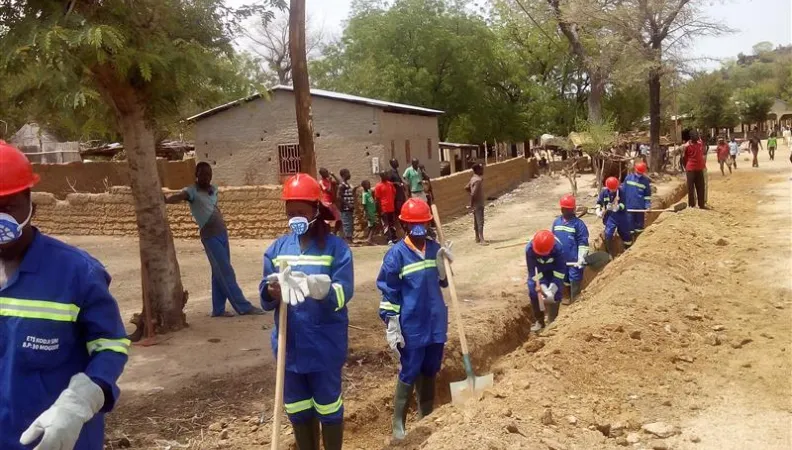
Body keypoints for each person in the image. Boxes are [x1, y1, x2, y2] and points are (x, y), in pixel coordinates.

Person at [0, 142, 129, 450]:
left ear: (32, 206)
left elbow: (111, 346)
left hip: (57, 440)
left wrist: (81, 399)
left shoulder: (77, 273)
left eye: (8, 207)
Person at [259, 173, 354, 450]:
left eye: (301, 212)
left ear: (315, 211)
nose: (295, 218)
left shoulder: (335, 249)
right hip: (291, 349)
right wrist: (271, 291)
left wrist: (320, 291)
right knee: (298, 410)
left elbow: (344, 290)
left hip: (324, 346)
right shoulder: (277, 251)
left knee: (328, 409)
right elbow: (265, 290)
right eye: (291, 213)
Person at [376, 198, 452, 440]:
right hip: (412, 323)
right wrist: (391, 322)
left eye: (423, 224)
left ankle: (426, 412)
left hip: (435, 319)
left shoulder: (434, 248)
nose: (419, 229)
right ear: (405, 224)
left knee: (430, 367)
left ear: (429, 223)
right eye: (414, 224)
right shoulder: (396, 256)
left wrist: (444, 265)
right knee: (410, 368)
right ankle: (398, 420)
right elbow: (389, 291)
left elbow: (444, 282)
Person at [165, 162, 264, 316]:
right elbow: (179, 196)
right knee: (226, 271)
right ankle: (243, 306)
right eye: (203, 174)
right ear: (196, 175)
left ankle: (218, 310)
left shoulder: (213, 190)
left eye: (209, 174)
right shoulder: (191, 191)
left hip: (222, 234)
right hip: (210, 236)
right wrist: (165, 199)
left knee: (218, 272)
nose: (206, 177)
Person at [525, 230, 567, 332]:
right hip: (539, 271)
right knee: (533, 290)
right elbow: (533, 272)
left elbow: (560, 272)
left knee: (556, 294)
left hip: (554, 271)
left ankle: (552, 322)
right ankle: (539, 321)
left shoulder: (558, 249)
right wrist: (543, 287)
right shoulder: (530, 249)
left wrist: (551, 290)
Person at [552, 195, 589, 304]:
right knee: (564, 279)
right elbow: (553, 240)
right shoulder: (556, 222)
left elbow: (583, 243)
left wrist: (581, 257)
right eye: (564, 208)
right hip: (561, 261)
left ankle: (575, 302)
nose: (565, 210)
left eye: (567, 208)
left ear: (573, 209)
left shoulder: (579, 225)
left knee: (575, 279)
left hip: (574, 262)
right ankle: (567, 297)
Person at [596, 176, 633, 256]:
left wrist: (618, 207)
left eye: (615, 189)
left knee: (625, 232)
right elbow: (599, 202)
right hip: (610, 217)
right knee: (608, 233)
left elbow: (625, 204)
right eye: (611, 189)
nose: (613, 190)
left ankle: (628, 249)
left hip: (621, 215)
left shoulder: (622, 192)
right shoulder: (604, 193)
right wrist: (598, 210)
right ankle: (609, 253)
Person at [624, 162, 652, 237]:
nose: (639, 174)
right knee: (629, 226)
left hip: (640, 209)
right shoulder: (628, 178)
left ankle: (638, 242)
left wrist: (648, 206)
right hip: (629, 208)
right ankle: (630, 245)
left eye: (640, 173)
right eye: (638, 172)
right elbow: (622, 192)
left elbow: (647, 196)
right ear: (635, 170)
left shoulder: (645, 182)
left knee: (639, 227)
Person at [682, 130, 707, 209]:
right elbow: (683, 158)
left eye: (697, 135)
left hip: (699, 168)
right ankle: (691, 205)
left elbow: (704, 150)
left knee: (701, 187)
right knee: (691, 188)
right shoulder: (686, 146)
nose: (697, 137)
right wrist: (686, 167)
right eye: (695, 136)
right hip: (690, 169)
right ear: (691, 137)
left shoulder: (700, 144)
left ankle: (701, 204)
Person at [374, 172, 398, 244]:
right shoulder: (378, 186)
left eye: (386, 174)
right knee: (386, 224)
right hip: (384, 208)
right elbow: (377, 199)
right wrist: (380, 210)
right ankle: (389, 239)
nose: (386, 176)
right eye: (384, 175)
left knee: (392, 224)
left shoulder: (390, 184)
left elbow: (394, 193)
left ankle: (394, 238)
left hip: (391, 208)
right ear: (381, 176)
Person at [465, 163, 486, 244]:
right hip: (478, 203)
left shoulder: (473, 179)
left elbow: (466, 188)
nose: (483, 170)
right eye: (481, 169)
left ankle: (477, 237)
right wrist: (472, 202)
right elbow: (473, 193)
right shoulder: (478, 180)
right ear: (477, 170)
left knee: (476, 221)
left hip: (475, 204)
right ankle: (482, 239)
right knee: (480, 221)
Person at [318, 168, 342, 235]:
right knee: (327, 221)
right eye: (326, 172)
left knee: (339, 218)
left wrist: (333, 175)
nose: (327, 173)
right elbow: (328, 190)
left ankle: (334, 233)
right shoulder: (321, 182)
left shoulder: (328, 181)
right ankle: (326, 234)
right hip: (326, 202)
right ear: (322, 174)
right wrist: (330, 182)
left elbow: (340, 183)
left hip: (332, 202)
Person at [337, 169, 355, 244]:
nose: (349, 174)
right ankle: (347, 240)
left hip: (349, 208)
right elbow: (339, 197)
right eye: (348, 173)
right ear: (344, 175)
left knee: (350, 223)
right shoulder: (342, 185)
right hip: (345, 208)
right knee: (346, 223)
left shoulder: (347, 184)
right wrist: (348, 204)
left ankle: (350, 239)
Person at [360, 180, 377, 245]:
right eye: (368, 184)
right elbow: (364, 204)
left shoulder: (369, 192)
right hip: (369, 213)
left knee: (371, 226)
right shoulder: (364, 194)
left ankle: (369, 239)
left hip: (372, 212)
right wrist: (366, 214)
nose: (369, 185)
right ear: (364, 186)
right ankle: (369, 239)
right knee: (373, 226)